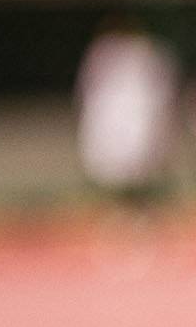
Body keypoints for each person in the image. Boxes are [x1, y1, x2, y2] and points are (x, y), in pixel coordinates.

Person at [73, 16, 178, 221]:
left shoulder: (139, 55)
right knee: (121, 167)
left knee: (137, 166)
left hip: (133, 122)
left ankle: (137, 208)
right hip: (120, 123)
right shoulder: (109, 55)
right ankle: (127, 208)